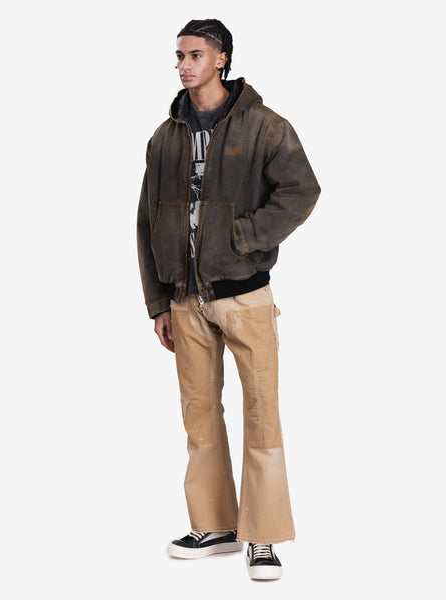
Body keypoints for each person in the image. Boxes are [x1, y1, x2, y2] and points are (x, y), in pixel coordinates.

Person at [137, 18, 320, 581]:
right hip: (184, 301)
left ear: (221, 58)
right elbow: (146, 221)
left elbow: (301, 190)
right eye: (178, 56)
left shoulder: (265, 126)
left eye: (194, 55)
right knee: (199, 417)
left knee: (261, 414)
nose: (183, 65)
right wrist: (158, 302)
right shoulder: (165, 136)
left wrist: (245, 237)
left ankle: (262, 536)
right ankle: (215, 525)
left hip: (245, 297)